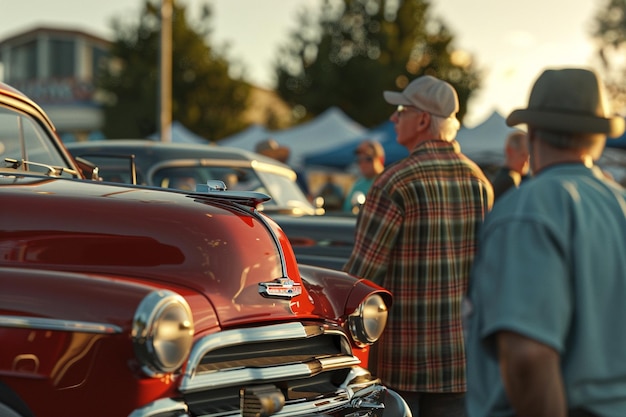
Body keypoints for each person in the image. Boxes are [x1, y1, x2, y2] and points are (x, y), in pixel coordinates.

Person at [465, 68, 626, 417]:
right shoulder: (620, 204)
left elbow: (528, 355)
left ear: (533, 132)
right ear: (596, 137)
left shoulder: (526, 210)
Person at [343, 75, 493, 416]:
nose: (394, 118)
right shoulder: (480, 183)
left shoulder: (396, 181)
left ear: (423, 119)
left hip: (402, 365)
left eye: (401, 109)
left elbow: (360, 278)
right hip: (460, 363)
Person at [342, 140, 385, 213]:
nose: (363, 164)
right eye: (359, 160)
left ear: (380, 159)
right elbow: (347, 211)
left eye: (368, 159)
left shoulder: (388, 182)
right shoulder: (358, 185)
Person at [491, 130, 530, 200]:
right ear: (510, 151)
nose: (526, 161)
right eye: (523, 155)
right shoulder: (508, 180)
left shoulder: (506, 178)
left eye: (529, 157)